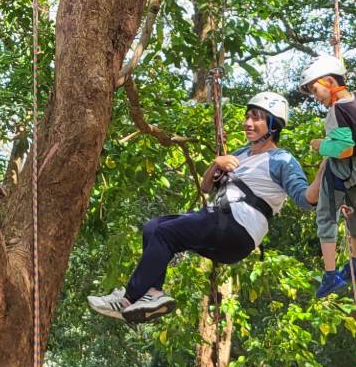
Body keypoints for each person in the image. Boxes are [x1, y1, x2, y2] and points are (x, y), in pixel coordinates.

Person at [88, 93, 316, 324]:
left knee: (165, 233)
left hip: (238, 228)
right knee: (153, 227)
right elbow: (207, 187)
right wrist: (217, 163)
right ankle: (153, 293)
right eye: (247, 117)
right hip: (222, 222)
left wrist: (326, 171)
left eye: (256, 119)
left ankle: (127, 300)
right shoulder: (240, 154)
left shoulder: (281, 160)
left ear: (273, 125)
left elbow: (305, 199)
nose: (247, 123)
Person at [301, 53, 356, 297]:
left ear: (330, 83)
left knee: (326, 217)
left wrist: (320, 145)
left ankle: (331, 274)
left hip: (343, 169)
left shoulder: (336, 111)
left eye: (315, 90)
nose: (315, 97)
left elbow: (343, 149)